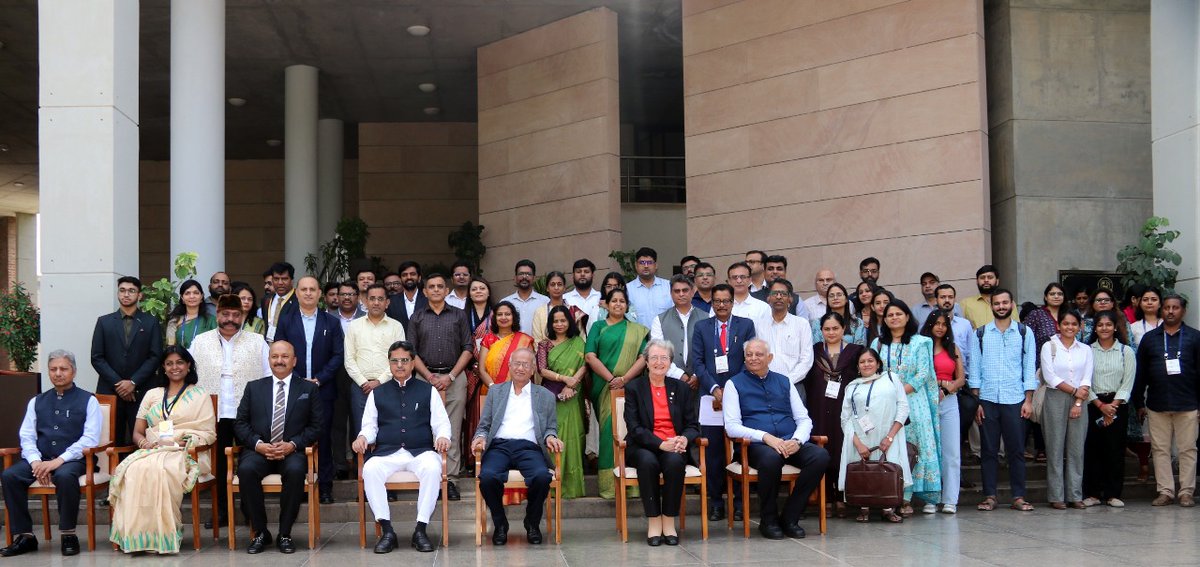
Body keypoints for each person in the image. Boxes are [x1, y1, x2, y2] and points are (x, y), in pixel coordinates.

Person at [108, 346, 216, 554]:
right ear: (163, 368)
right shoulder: (152, 394)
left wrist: (186, 442)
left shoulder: (200, 394)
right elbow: (137, 432)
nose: (175, 367)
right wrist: (144, 444)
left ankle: (164, 537)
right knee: (134, 471)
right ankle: (138, 536)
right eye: (169, 363)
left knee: (162, 470)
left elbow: (208, 432)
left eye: (179, 362)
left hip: (187, 452)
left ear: (188, 365)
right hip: (153, 450)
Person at [724, 339, 830, 539]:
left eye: (759, 354)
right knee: (771, 459)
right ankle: (769, 520)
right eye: (749, 355)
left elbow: (803, 419)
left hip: (789, 442)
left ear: (770, 358)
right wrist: (765, 437)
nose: (753, 358)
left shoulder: (784, 381)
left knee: (820, 456)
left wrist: (797, 441)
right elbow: (731, 426)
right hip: (755, 446)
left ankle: (790, 517)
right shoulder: (733, 384)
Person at [0, 350, 102, 558]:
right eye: (53, 369)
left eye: (63, 368)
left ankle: (68, 534)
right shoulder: (36, 401)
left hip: (75, 460)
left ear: (73, 371)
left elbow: (90, 439)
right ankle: (26, 536)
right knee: (10, 476)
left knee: (64, 476)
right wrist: (36, 461)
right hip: (41, 457)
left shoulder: (89, 400)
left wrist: (59, 461)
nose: (58, 373)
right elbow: (27, 436)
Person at [354, 341, 451, 554]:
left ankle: (421, 530)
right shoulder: (377, 393)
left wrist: (443, 436)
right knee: (370, 469)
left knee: (433, 468)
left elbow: (441, 423)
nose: (399, 365)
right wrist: (362, 437)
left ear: (413, 363)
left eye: (404, 360)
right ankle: (388, 531)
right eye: (395, 361)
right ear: (389, 363)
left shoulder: (428, 391)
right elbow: (369, 426)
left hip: (421, 452)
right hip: (387, 453)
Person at [233, 341, 323, 554]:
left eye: (285, 356)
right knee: (246, 470)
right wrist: (258, 445)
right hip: (259, 451)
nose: (279, 361)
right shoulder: (254, 387)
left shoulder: (308, 389)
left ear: (294, 361)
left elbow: (316, 426)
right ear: (269, 360)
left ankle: (284, 533)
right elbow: (240, 423)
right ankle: (261, 532)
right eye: (275, 357)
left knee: (295, 471)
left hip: (292, 451)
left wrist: (293, 444)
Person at [190, 294, 271, 529]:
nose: (230, 319)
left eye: (236, 315)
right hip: (213, 413)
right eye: (225, 314)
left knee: (249, 463)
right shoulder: (200, 342)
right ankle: (221, 512)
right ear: (217, 315)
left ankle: (249, 511)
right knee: (217, 465)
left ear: (243, 316)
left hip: (247, 414)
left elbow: (268, 377)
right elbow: (189, 376)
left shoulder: (257, 341)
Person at [472, 348, 564, 546]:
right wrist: (479, 437)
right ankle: (500, 523)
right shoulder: (496, 392)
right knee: (487, 477)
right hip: (499, 447)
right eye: (517, 364)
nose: (520, 368)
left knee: (542, 477)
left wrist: (551, 437)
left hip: (529, 448)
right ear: (510, 366)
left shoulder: (545, 395)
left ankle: (532, 522)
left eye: (525, 365)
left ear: (533, 369)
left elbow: (551, 427)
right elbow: (484, 425)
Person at [273, 275, 345, 504]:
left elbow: (338, 355)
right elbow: (279, 351)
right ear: (297, 292)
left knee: (323, 438)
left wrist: (319, 379)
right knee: (296, 437)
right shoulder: (287, 320)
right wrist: (297, 379)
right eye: (303, 289)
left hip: (323, 389)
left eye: (312, 289)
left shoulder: (331, 322)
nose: (308, 293)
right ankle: (301, 485)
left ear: (319, 294)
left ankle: (324, 487)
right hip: (293, 388)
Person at [623, 340, 700, 546]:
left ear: (670, 362)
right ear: (646, 362)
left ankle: (668, 520)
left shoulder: (681, 388)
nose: (659, 362)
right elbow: (634, 427)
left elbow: (692, 425)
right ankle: (654, 521)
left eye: (664, 358)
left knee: (674, 462)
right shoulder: (634, 388)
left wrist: (684, 438)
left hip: (673, 445)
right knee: (647, 462)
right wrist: (659, 444)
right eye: (654, 358)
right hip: (642, 445)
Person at [967, 288, 1037, 512]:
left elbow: (1029, 368)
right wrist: (977, 403)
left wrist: (1028, 400)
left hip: (1015, 398)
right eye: (997, 303)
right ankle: (990, 496)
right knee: (988, 450)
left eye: (1005, 303)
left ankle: (1018, 496)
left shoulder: (1024, 333)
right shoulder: (980, 334)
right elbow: (974, 370)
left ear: (1012, 305)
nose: (1001, 307)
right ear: (992, 306)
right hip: (987, 399)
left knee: (1016, 450)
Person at [690, 283, 755, 521]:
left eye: (726, 301)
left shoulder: (746, 325)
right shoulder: (701, 327)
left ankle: (739, 504)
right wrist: (715, 388)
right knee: (713, 452)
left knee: (740, 450)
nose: (721, 305)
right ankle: (716, 502)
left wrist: (731, 389)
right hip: (710, 397)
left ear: (732, 302)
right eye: (717, 301)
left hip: (739, 396)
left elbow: (750, 360)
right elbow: (697, 362)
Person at [870, 300, 940, 515]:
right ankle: (893, 494)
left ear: (908, 317)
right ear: (884, 319)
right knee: (891, 448)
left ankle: (912, 497)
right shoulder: (878, 344)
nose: (894, 318)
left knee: (915, 447)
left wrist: (898, 394)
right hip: (885, 405)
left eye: (898, 314)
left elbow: (922, 374)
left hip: (914, 404)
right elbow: (872, 371)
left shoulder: (921, 342)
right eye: (890, 315)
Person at [408, 274, 474, 500]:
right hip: (423, 379)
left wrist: (451, 376)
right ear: (425, 292)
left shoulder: (459, 315)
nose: (436, 290)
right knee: (426, 430)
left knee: (452, 429)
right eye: (431, 287)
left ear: (447, 291)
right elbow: (411, 352)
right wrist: (429, 376)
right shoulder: (417, 317)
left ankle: (451, 480)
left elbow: (468, 348)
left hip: (454, 378)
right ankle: (431, 479)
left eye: (440, 286)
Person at [1132, 293, 1200, 507]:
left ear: (1183, 311)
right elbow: (1140, 373)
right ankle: (1165, 491)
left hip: (1187, 404)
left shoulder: (1195, 337)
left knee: (1187, 449)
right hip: (1157, 404)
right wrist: (1139, 403)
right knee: (1160, 449)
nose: (1170, 311)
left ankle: (1186, 492)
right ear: (1162, 310)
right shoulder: (1150, 338)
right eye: (1167, 307)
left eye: (1175, 308)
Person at [585, 287, 650, 499]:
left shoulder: (637, 330)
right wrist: (611, 379)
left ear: (627, 305)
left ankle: (632, 485)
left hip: (630, 387)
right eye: (614, 301)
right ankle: (609, 486)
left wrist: (625, 379)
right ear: (607, 304)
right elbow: (590, 356)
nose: (618, 304)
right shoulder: (598, 327)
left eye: (622, 301)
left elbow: (643, 357)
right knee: (608, 432)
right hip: (604, 387)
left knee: (629, 430)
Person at [839, 348, 910, 523]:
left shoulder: (891, 379)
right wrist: (858, 444)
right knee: (864, 472)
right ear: (857, 366)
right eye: (862, 362)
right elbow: (845, 419)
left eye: (870, 360)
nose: (866, 364)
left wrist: (890, 437)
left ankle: (888, 509)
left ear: (878, 363)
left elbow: (903, 407)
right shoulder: (852, 387)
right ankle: (864, 508)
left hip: (888, 436)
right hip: (861, 438)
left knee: (888, 469)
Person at [91, 275, 163, 445]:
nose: (126, 294)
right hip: (110, 390)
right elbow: (97, 357)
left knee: (143, 440)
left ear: (139, 295)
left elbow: (155, 356)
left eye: (131, 291)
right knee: (109, 442)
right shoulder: (104, 322)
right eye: (122, 290)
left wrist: (133, 382)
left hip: (142, 391)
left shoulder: (151, 322)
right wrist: (119, 384)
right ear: (117, 294)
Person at [804, 312, 864, 517]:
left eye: (835, 328)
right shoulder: (814, 351)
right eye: (827, 329)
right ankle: (825, 498)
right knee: (822, 449)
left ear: (843, 329)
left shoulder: (855, 352)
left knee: (842, 449)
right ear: (821, 331)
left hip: (844, 409)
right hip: (818, 408)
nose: (831, 332)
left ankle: (841, 497)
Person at [478, 301, 536, 503]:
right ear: (494, 318)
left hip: (518, 395)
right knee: (495, 434)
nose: (503, 318)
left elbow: (529, 369)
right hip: (492, 393)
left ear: (514, 317)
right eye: (500, 314)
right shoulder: (488, 339)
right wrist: (495, 389)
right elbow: (481, 369)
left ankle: (518, 493)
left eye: (507, 314)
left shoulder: (524, 340)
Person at [344, 284, 407, 459]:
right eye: (372, 298)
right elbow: (349, 359)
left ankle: (388, 470)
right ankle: (365, 473)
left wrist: (379, 381)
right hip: (360, 388)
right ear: (365, 302)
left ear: (387, 302)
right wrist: (364, 382)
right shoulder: (354, 326)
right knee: (362, 431)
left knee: (389, 429)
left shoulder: (396, 327)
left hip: (389, 386)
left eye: (380, 299)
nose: (376, 302)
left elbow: (400, 359)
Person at [1038, 309, 1093, 509]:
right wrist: (1075, 392)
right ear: (1059, 325)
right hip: (1055, 397)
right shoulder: (1049, 346)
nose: (1070, 327)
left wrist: (1078, 402)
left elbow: (1087, 377)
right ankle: (1056, 496)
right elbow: (1050, 376)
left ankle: (1075, 495)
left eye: (1074, 324)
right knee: (1055, 447)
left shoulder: (1085, 349)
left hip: (1080, 399)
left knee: (1076, 449)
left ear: (1080, 327)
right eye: (1066, 323)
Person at [1082, 310, 1136, 507]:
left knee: (1115, 449)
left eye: (1108, 325)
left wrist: (1113, 406)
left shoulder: (1125, 351)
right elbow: (1083, 380)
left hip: (1117, 405)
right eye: (1100, 325)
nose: (1104, 328)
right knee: (1093, 449)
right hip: (1093, 404)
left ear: (1115, 327)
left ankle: (1113, 494)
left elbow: (1128, 381)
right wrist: (1100, 405)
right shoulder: (1087, 350)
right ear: (1095, 328)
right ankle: (1093, 494)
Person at [535, 305, 589, 498]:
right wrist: (564, 379)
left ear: (569, 322)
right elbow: (542, 370)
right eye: (555, 321)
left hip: (573, 395)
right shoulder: (545, 344)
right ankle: (551, 486)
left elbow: (585, 364)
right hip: (551, 396)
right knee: (553, 435)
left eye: (563, 320)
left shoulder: (579, 342)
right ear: (550, 323)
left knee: (573, 437)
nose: (559, 324)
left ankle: (571, 487)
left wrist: (572, 384)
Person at [920, 309, 966, 514]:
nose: (940, 327)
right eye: (936, 323)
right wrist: (938, 385)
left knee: (951, 452)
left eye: (944, 324)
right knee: (929, 452)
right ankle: (930, 498)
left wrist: (946, 389)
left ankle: (950, 499)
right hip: (925, 401)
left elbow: (961, 378)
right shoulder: (922, 346)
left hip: (949, 401)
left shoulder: (953, 348)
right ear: (929, 325)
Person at [1023, 282, 1070, 463]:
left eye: (1059, 293)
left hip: (1066, 369)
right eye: (1052, 294)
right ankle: (1042, 447)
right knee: (1041, 406)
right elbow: (1026, 337)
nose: (1056, 297)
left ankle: (1062, 447)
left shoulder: (1069, 314)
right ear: (1045, 297)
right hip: (1040, 368)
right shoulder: (1037, 315)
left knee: (1063, 408)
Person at [934, 283, 979, 460]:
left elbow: (971, 355)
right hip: (937, 385)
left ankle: (956, 465)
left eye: (950, 297)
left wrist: (969, 382)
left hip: (961, 381)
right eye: (942, 297)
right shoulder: (929, 326)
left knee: (959, 428)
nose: (946, 300)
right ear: (936, 300)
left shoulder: (965, 324)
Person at [649, 274, 709, 391]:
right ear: (671, 293)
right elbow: (657, 352)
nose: (681, 294)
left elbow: (710, 350)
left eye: (685, 290)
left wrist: (697, 375)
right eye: (677, 291)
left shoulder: (707, 317)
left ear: (692, 292)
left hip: (701, 382)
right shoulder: (659, 320)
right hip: (670, 381)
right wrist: (680, 375)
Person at [758, 278, 813, 388]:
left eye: (783, 294)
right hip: (764, 385)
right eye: (775, 293)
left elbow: (806, 359)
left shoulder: (802, 324)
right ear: (768, 298)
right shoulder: (758, 325)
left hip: (794, 384)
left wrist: (787, 381)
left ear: (790, 299)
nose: (779, 297)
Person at [464, 276, 495, 467]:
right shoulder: (462, 315)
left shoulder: (497, 314)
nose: (478, 291)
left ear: (488, 292)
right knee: (472, 415)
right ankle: (471, 459)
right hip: (469, 369)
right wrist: (473, 365)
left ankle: (490, 457)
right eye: (474, 289)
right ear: (469, 294)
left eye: (482, 288)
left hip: (492, 371)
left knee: (490, 413)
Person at [500, 259, 549, 334]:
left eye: (528, 274)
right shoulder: (505, 302)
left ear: (534, 278)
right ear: (515, 278)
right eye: (521, 274)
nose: (524, 277)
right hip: (511, 341)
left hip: (537, 342)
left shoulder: (545, 301)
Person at [627, 247, 672, 328]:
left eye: (649, 262)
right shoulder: (628, 289)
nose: (646, 266)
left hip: (665, 335)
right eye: (642, 262)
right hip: (639, 335)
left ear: (656, 265)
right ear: (636, 265)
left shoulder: (668, 286)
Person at [166, 280, 217, 349]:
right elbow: (170, 348)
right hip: (181, 356)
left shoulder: (211, 320)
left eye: (196, 293)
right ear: (182, 298)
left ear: (201, 297)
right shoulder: (174, 321)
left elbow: (216, 346)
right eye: (187, 293)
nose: (192, 296)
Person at [961, 265, 1012, 329]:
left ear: (997, 281)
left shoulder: (1007, 303)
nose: (986, 280)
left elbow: (1016, 327)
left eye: (990, 277)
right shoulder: (966, 303)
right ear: (977, 281)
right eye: (982, 277)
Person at [386, 261, 428, 334]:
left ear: (419, 278)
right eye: (404, 275)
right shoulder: (391, 302)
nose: (409, 277)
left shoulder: (428, 300)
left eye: (413, 274)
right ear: (400, 279)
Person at [264, 261, 298, 342]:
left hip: (288, 346)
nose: (280, 283)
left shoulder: (299, 300)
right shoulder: (266, 299)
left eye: (284, 279)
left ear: (292, 280)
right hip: (268, 345)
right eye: (276, 279)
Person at [531, 271, 568, 343]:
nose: (556, 288)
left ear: (564, 288)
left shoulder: (573, 310)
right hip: (546, 350)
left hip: (572, 350)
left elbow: (580, 338)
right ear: (547, 288)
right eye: (552, 285)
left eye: (559, 284)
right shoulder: (540, 312)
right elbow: (537, 340)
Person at [563, 259, 600, 328]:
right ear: (573, 275)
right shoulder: (564, 299)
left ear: (593, 275)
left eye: (586, 272)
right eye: (578, 272)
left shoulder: (600, 297)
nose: (582, 274)